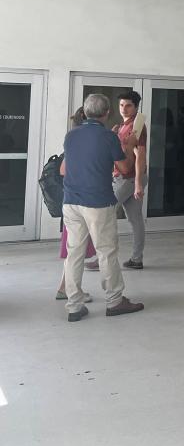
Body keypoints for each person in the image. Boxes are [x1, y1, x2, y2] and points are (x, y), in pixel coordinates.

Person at [61, 93, 145, 322]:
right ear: (107, 113)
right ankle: (115, 301)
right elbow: (126, 166)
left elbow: (65, 169)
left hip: (70, 202)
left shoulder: (71, 136)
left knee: (74, 253)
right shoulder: (108, 137)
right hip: (97, 202)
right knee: (106, 251)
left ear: (86, 112)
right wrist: (128, 145)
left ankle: (74, 306)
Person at [55, 107, 98, 301]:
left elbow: (64, 170)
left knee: (74, 248)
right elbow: (64, 169)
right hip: (82, 202)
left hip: (71, 201)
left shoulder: (72, 141)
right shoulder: (84, 144)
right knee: (76, 250)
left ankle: (64, 287)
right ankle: (69, 289)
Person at [112, 91, 148, 270]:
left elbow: (141, 155)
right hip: (124, 176)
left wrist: (139, 183)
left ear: (136, 107)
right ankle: (136, 259)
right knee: (135, 219)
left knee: (104, 212)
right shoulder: (121, 126)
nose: (124, 109)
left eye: (128, 105)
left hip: (129, 178)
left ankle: (100, 256)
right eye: (121, 105)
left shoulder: (137, 125)